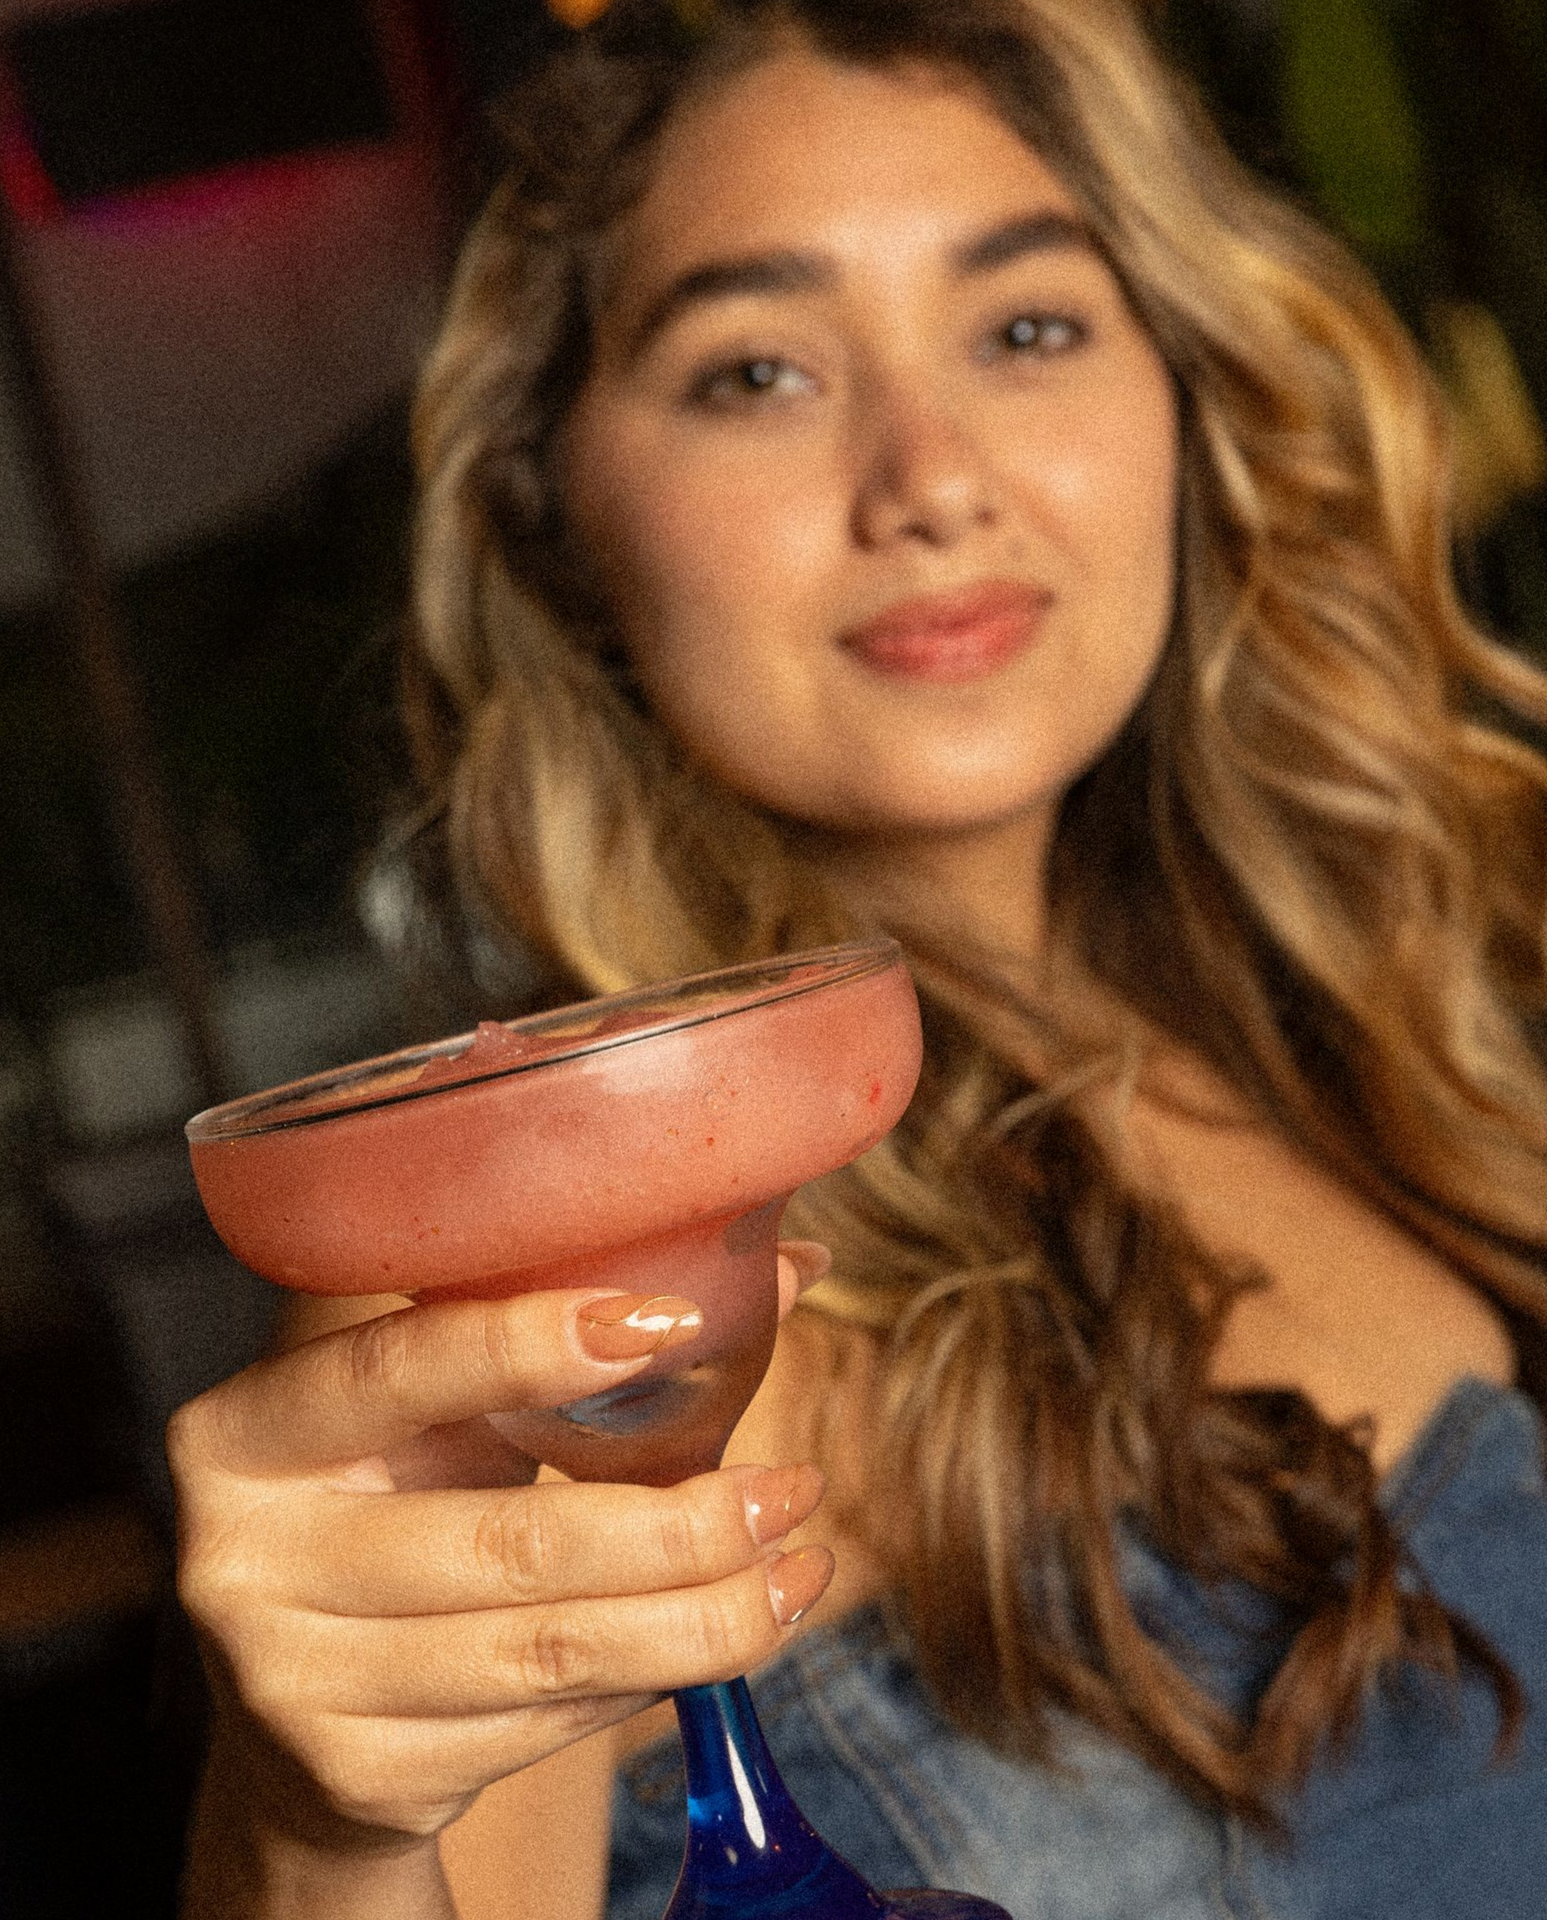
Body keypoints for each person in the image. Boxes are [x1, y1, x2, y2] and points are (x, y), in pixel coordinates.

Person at [166, 3, 1547, 1915]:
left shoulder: (1371, 1026)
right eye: (757, 372)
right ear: (557, 519)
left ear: (1187, 398)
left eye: (1028, 329)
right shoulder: (548, 1268)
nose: (930, 476)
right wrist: (319, 1829)